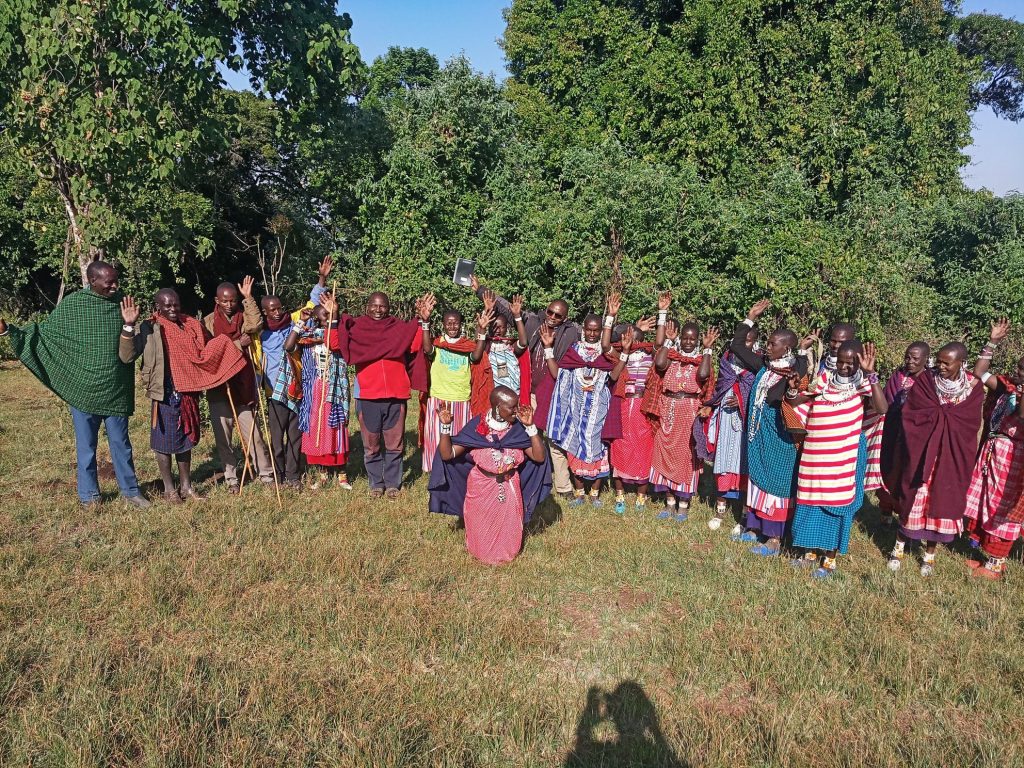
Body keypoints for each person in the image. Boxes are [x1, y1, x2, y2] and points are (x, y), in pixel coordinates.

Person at [0, 261, 150, 508]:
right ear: (93, 280)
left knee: (121, 444)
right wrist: (10, 333)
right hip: (82, 390)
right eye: (109, 282)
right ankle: (89, 496)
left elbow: (129, 353)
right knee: (86, 447)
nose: (115, 286)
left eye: (116, 280)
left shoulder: (122, 305)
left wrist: (129, 322)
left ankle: (131, 491)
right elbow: (45, 334)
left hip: (116, 388)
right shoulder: (74, 305)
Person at [886, 320, 1007, 576]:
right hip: (921, 453)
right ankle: (898, 547)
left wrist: (946, 420)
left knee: (940, 502)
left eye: (945, 363)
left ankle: (929, 555)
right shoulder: (927, 381)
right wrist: (936, 420)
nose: (939, 366)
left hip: (950, 457)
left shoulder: (973, 388)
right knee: (913, 498)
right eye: (938, 361)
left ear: (960, 364)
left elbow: (970, 422)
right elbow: (912, 414)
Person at [131, 288, 247, 502]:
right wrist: (129, 325)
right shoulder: (150, 327)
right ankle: (169, 489)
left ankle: (187, 487)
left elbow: (208, 348)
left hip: (188, 389)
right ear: (158, 307)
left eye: (175, 304)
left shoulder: (192, 324)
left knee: (186, 437)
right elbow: (130, 353)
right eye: (167, 306)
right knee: (163, 441)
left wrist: (231, 345)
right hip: (164, 389)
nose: (173, 309)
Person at [472, 275, 581, 497]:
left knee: (555, 441)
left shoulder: (571, 332)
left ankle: (562, 486)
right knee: (527, 436)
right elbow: (506, 307)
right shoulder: (533, 322)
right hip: (528, 392)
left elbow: (596, 333)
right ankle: (527, 477)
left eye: (557, 315)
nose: (552, 317)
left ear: (565, 318)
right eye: (549, 312)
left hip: (553, 394)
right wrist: (480, 289)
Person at [789, 341, 888, 576]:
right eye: (841, 361)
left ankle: (829, 562)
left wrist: (871, 374)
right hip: (814, 459)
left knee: (835, 509)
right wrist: (793, 390)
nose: (844, 366)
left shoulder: (862, 384)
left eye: (850, 362)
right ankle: (810, 554)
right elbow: (797, 403)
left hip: (840, 461)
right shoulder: (824, 379)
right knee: (811, 507)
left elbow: (882, 408)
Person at [428, 387, 552, 565]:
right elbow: (447, 455)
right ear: (497, 408)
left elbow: (539, 457)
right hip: (481, 488)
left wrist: (531, 427)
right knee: (482, 535)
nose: (516, 410)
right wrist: (445, 426)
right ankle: (482, 553)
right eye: (512, 407)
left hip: (510, 488)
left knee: (509, 533)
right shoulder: (477, 426)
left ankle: (507, 554)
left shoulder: (517, 428)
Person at [728, 299, 811, 550]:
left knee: (778, 481)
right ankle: (754, 527)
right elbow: (736, 346)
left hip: (780, 439)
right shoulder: (764, 366)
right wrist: (750, 317)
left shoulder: (794, 373)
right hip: (758, 435)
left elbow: (800, 372)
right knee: (756, 479)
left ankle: (775, 537)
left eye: (773, 344)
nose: (767, 346)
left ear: (786, 348)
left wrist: (801, 353)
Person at [330, 290, 430, 498]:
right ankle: (376, 483)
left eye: (382, 305)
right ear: (367, 307)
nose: (378, 309)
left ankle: (393, 484)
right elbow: (334, 344)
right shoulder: (358, 328)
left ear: (389, 308)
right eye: (374, 305)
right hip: (368, 395)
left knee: (395, 444)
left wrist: (423, 321)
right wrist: (333, 317)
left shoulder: (397, 329)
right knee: (371, 445)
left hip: (395, 394)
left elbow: (415, 344)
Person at [642, 292, 717, 521]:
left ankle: (684, 503)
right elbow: (660, 363)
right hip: (668, 410)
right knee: (664, 452)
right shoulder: (672, 355)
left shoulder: (700, 361)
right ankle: (669, 501)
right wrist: (668, 341)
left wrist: (707, 349)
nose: (687, 342)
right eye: (685, 337)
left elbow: (704, 375)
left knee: (686, 455)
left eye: (692, 339)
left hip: (688, 412)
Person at [542, 312, 628, 507]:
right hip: (575, 410)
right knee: (574, 450)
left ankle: (595, 494)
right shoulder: (574, 351)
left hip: (599, 411)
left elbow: (614, 377)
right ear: (583, 328)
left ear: (600, 331)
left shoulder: (607, 353)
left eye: (596, 330)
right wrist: (548, 348)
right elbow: (559, 373)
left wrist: (623, 354)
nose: (591, 333)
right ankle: (580, 493)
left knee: (598, 450)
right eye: (588, 329)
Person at [203, 276, 275, 492]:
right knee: (224, 435)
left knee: (253, 432)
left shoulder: (243, 317)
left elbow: (256, 324)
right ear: (217, 300)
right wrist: (236, 343)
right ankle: (231, 478)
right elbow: (209, 351)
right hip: (219, 383)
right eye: (224, 301)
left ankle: (265, 473)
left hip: (243, 381)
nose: (229, 305)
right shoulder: (207, 322)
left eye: (233, 300)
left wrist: (248, 298)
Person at [963, 353, 1024, 580]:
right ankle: (990, 559)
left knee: (1003, 508)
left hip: (1013, 460)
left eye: (1023, 370)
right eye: (1018, 367)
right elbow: (978, 372)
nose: (1018, 372)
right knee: (988, 503)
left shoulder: (1018, 395)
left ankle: (995, 566)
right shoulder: (1006, 387)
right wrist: (992, 343)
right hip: (994, 454)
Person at [284, 293, 351, 489]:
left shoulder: (338, 334)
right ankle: (323, 473)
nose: (325, 320)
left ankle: (342, 474)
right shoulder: (308, 336)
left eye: (328, 316)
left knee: (335, 428)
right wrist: (300, 323)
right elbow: (288, 346)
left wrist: (334, 316)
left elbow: (335, 343)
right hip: (314, 389)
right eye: (322, 317)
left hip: (333, 388)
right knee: (317, 430)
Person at [696, 320, 759, 529]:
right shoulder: (726, 361)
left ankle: (741, 516)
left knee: (743, 468)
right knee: (723, 465)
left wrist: (741, 401)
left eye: (749, 342)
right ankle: (720, 510)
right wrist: (712, 406)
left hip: (745, 427)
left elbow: (758, 395)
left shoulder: (757, 365)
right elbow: (720, 388)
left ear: (755, 344)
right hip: (725, 420)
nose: (745, 345)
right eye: (742, 340)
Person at [602, 294, 657, 516]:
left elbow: (661, 344)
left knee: (644, 448)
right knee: (620, 446)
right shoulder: (619, 357)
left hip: (642, 408)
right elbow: (605, 345)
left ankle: (642, 496)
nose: (632, 344)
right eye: (628, 340)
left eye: (636, 340)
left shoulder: (651, 358)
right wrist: (611, 317)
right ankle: (620, 494)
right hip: (623, 407)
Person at [416, 295, 477, 473]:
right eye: (448, 323)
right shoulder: (438, 344)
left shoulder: (467, 346)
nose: (452, 326)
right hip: (439, 398)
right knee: (436, 437)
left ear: (461, 324)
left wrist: (481, 330)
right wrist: (425, 322)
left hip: (461, 399)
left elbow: (477, 356)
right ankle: (436, 470)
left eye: (456, 323)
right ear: (443, 325)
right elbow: (427, 349)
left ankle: (458, 470)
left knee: (459, 438)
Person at [875, 341, 931, 523]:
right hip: (892, 431)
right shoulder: (898, 375)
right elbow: (886, 399)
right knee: (888, 470)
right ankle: (885, 511)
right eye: (907, 357)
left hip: (913, 438)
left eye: (915, 358)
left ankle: (903, 513)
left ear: (925, 359)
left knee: (905, 474)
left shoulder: (930, 382)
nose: (910, 361)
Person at [256, 294, 303, 489]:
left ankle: (293, 476)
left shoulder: (292, 323)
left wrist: (322, 279)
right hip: (274, 392)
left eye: (279, 308)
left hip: (295, 389)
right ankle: (279, 473)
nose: (277, 313)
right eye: (272, 310)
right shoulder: (260, 334)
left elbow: (311, 303)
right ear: (265, 312)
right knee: (276, 438)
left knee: (295, 437)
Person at [469, 291, 531, 415]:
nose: (497, 330)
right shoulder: (486, 346)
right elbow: (478, 339)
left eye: (501, 327)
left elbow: (523, 342)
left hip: (512, 396)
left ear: (507, 328)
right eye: (494, 326)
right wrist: (486, 312)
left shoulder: (510, 346)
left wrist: (517, 316)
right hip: (493, 396)